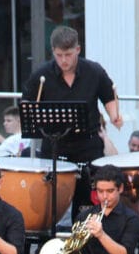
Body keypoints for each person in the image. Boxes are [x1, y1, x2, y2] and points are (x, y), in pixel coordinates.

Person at [19, 26, 122, 167]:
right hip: (54, 146)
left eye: (68, 54)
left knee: (89, 186)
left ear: (77, 50)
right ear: (53, 51)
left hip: (88, 145)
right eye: (59, 55)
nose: (63, 60)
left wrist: (114, 115)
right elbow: (27, 103)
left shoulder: (94, 71)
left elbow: (109, 96)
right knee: (54, 188)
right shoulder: (41, 75)